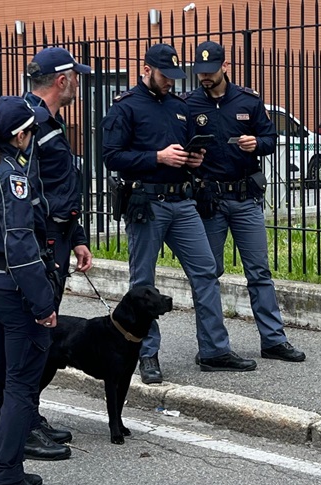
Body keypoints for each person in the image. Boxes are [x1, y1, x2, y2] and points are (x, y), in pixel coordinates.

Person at [102, 43, 257, 385]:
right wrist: (156, 157)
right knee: (143, 282)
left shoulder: (179, 107)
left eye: (174, 77)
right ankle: (146, 353)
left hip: (183, 201)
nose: (170, 83)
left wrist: (193, 160)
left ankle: (214, 350)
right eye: (164, 76)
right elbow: (111, 156)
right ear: (146, 71)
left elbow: (188, 150)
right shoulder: (126, 107)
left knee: (206, 272)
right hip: (147, 202)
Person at [184, 40, 306, 363]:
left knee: (259, 271)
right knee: (208, 273)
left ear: (226, 67)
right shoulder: (190, 104)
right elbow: (181, 147)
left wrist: (258, 143)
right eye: (201, 73)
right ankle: (212, 347)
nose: (205, 78)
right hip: (210, 200)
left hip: (245, 197)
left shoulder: (248, 101)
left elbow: (271, 138)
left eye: (210, 72)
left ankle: (273, 340)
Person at [0, 96, 60, 485]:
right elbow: (21, 246)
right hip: (16, 291)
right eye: (31, 130)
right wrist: (43, 303)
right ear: (19, 136)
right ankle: (7, 477)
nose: (33, 135)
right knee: (19, 387)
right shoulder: (11, 176)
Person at [21, 46, 93, 459]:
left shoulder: (49, 121)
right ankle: (24, 424)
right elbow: (28, 191)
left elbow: (59, 188)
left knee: (43, 334)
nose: (78, 84)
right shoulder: (32, 124)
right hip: (44, 242)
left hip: (59, 239)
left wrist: (77, 235)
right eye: (76, 77)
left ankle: (29, 416)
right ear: (62, 81)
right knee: (36, 333)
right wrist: (50, 238)